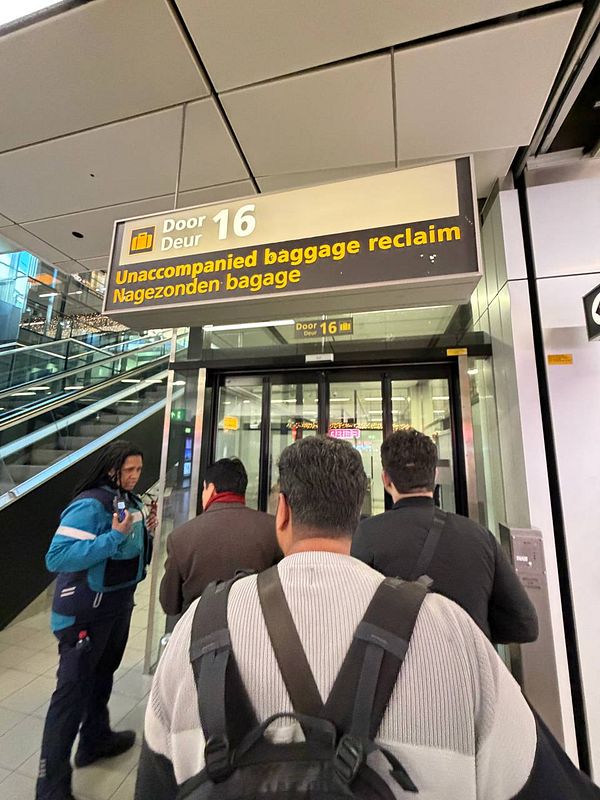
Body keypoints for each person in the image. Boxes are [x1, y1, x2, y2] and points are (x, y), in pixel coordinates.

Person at [135, 436, 599, 800]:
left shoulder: (200, 625)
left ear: (282, 512)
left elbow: (154, 781)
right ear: (358, 511)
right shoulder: (453, 631)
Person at [36, 440, 156, 800]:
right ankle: (51, 786)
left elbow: (127, 552)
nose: (135, 476)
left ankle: (94, 739)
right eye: (129, 470)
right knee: (70, 697)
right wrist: (112, 537)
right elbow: (56, 558)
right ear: (111, 469)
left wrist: (143, 531)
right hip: (84, 613)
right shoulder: (89, 504)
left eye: (138, 469)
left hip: (115, 606)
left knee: (101, 677)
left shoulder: (128, 500)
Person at [352, 427, 538, 644]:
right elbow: (525, 626)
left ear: (386, 479)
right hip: (469, 671)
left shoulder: (366, 534)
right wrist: (474, 632)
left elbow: (350, 611)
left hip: (399, 671)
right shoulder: (480, 537)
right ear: (435, 474)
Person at [159, 457, 279, 615]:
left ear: (211, 489)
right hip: (256, 626)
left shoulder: (180, 537)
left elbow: (170, 604)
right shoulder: (273, 529)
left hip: (201, 631)